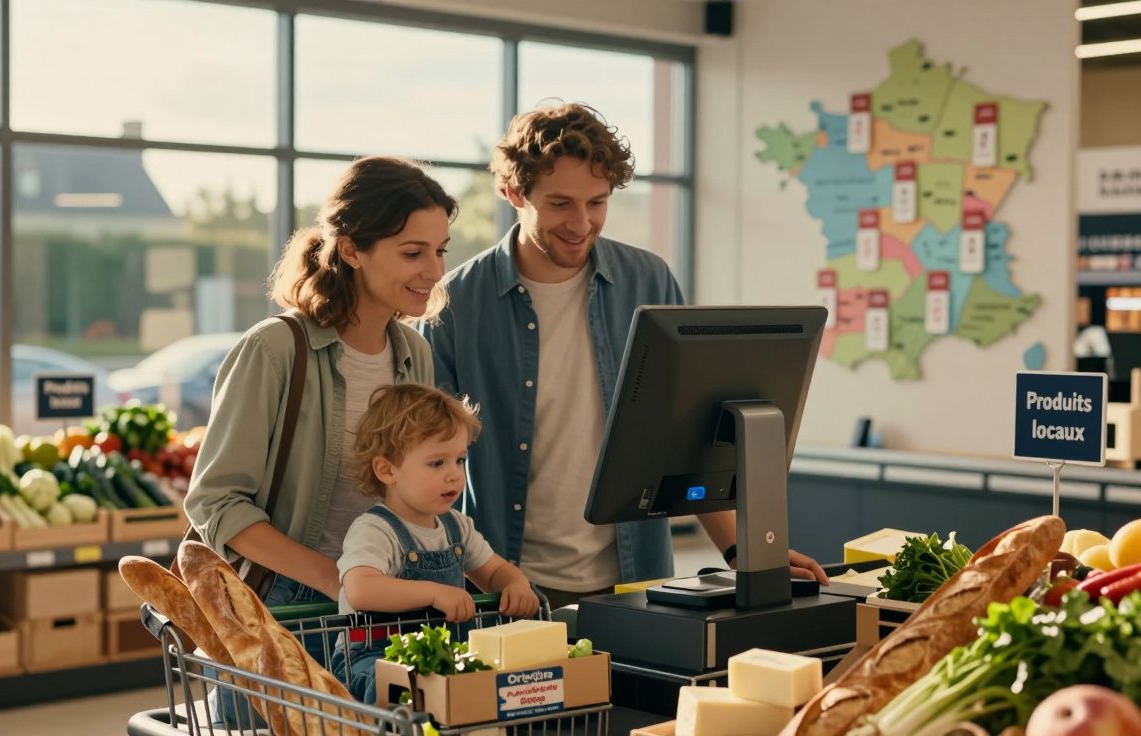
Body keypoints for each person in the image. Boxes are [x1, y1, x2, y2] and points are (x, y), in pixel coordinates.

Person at [421, 103, 829, 610]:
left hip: (635, 585)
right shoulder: (455, 304)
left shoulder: (649, 282)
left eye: (597, 202)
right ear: (513, 193)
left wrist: (741, 548)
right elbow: (426, 462)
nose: (581, 223)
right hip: (504, 588)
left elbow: (691, 436)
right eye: (560, 203)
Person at [183, 156, 455, 724]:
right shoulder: (275, 350)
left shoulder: (415, 355)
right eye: (413, 252)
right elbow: (216, 503)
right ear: (352, 249)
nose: (433, 270)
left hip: (384, 607)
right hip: (284, 612)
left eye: (440, 250)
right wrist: (333, 577)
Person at [331, 383, 538, 702]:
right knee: (403, 689)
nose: (455, 475)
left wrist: (516, 585)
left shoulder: (456, 526)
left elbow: (494, 571)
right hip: (373, 660)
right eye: (437, 463)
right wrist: (434, 592)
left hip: (442, 660)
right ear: (387, 470)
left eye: (460, 460)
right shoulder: (375, 529)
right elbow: (360, 589)